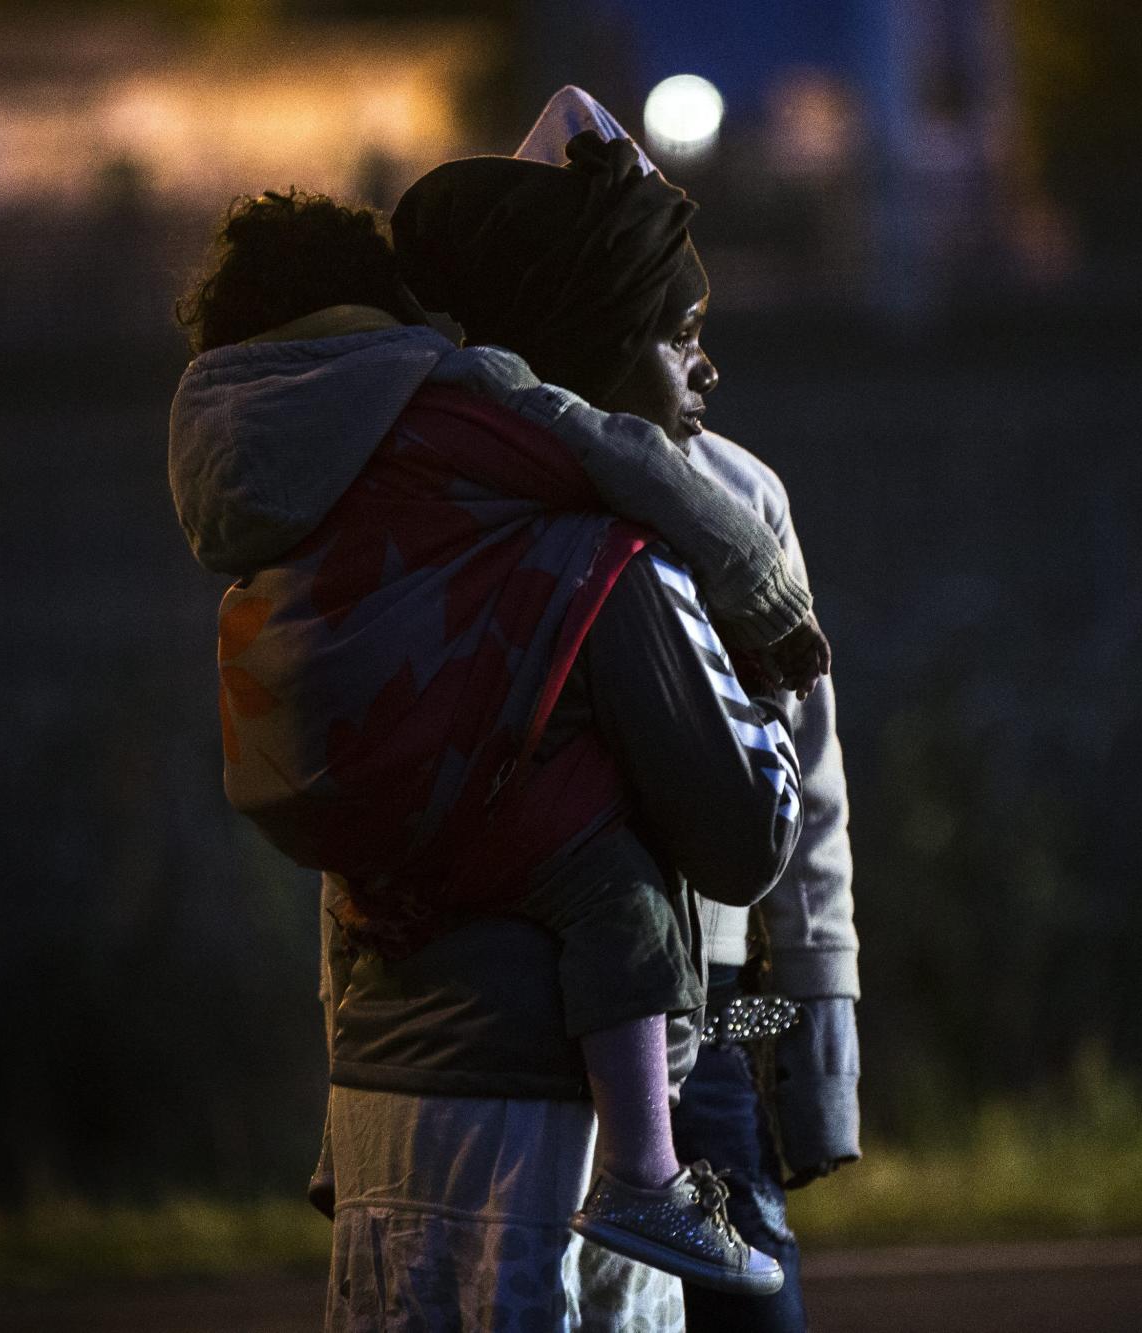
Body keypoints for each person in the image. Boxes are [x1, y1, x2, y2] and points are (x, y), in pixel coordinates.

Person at [168, 171, 819, 1325]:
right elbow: (744, 837)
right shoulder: (598, 562)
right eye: (675, 336)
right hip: (543, 1142)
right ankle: (652, 1179)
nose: (703, 370)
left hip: (378, 1120)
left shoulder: (351, 549)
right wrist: (768, 704)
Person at [512, 87, 864, 1330]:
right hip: (523, 1017)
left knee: (747, 1290)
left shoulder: (734, 497)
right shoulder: (487, 507)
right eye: (678, 325)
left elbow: (806, 792)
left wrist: (816, 1054)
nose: (706, 358)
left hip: (715, 1014)